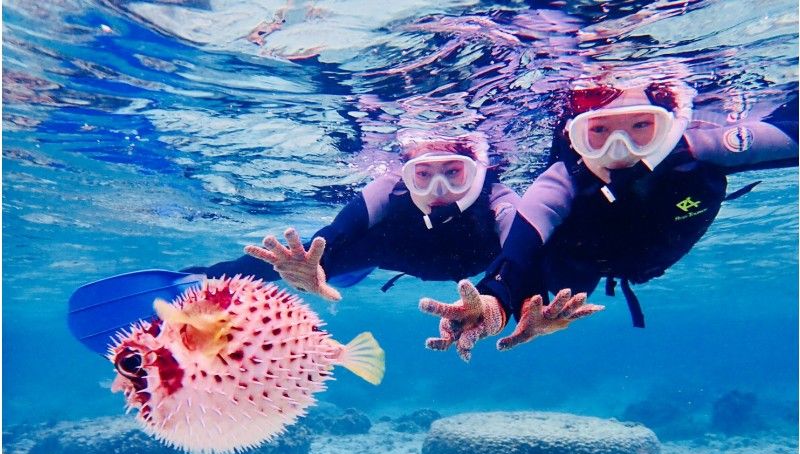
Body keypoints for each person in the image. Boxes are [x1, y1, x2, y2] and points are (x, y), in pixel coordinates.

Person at [420, 80, 798, 361]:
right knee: (560, 291)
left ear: (667, 128)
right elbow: (518, 253)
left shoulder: (704, 149)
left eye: (641, 128)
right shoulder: (560, 182)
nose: (620, 150)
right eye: (599, 132)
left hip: (643, 264)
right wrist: (494, 304)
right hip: (573, 267)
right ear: (577, 137)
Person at [188, 130, 520, 298]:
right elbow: (331, 237)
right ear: (406, 172)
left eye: (453, 172)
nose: (438, 189)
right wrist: (309, 269)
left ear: (476, 170)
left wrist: (495, 301)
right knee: (296, 259)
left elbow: (524, 257)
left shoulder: (498, 199)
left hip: (472, 258)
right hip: (386, 251)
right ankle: (200, 279)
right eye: (422, 174)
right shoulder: (389, 189)